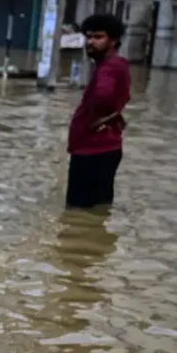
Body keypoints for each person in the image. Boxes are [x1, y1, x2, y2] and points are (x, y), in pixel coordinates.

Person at [67, 13, 130, 209]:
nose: (91, 42)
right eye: (89, 37)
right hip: (105, 149)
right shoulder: (115, 65)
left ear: (113, 40)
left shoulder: (108, 68)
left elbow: (104, 96)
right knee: (98, 211)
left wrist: (99, 119)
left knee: (76, 213)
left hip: (93, 150)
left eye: (98, 37)